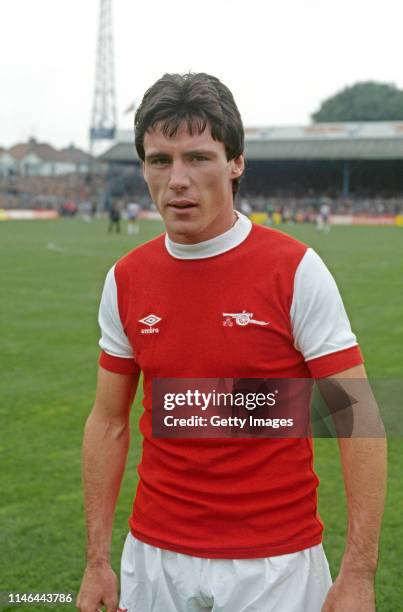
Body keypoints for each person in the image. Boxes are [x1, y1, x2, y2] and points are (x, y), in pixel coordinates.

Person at [77, 73, 386, 612]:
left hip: (276, 565)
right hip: (154, 559)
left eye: (197, 157)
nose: (177, 179)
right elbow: (109, 421)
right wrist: (96, 561)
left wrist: (358, 572)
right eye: (159, 160)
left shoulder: (294, 270)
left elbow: (356, 418)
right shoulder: (125, 278)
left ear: (236, 162)